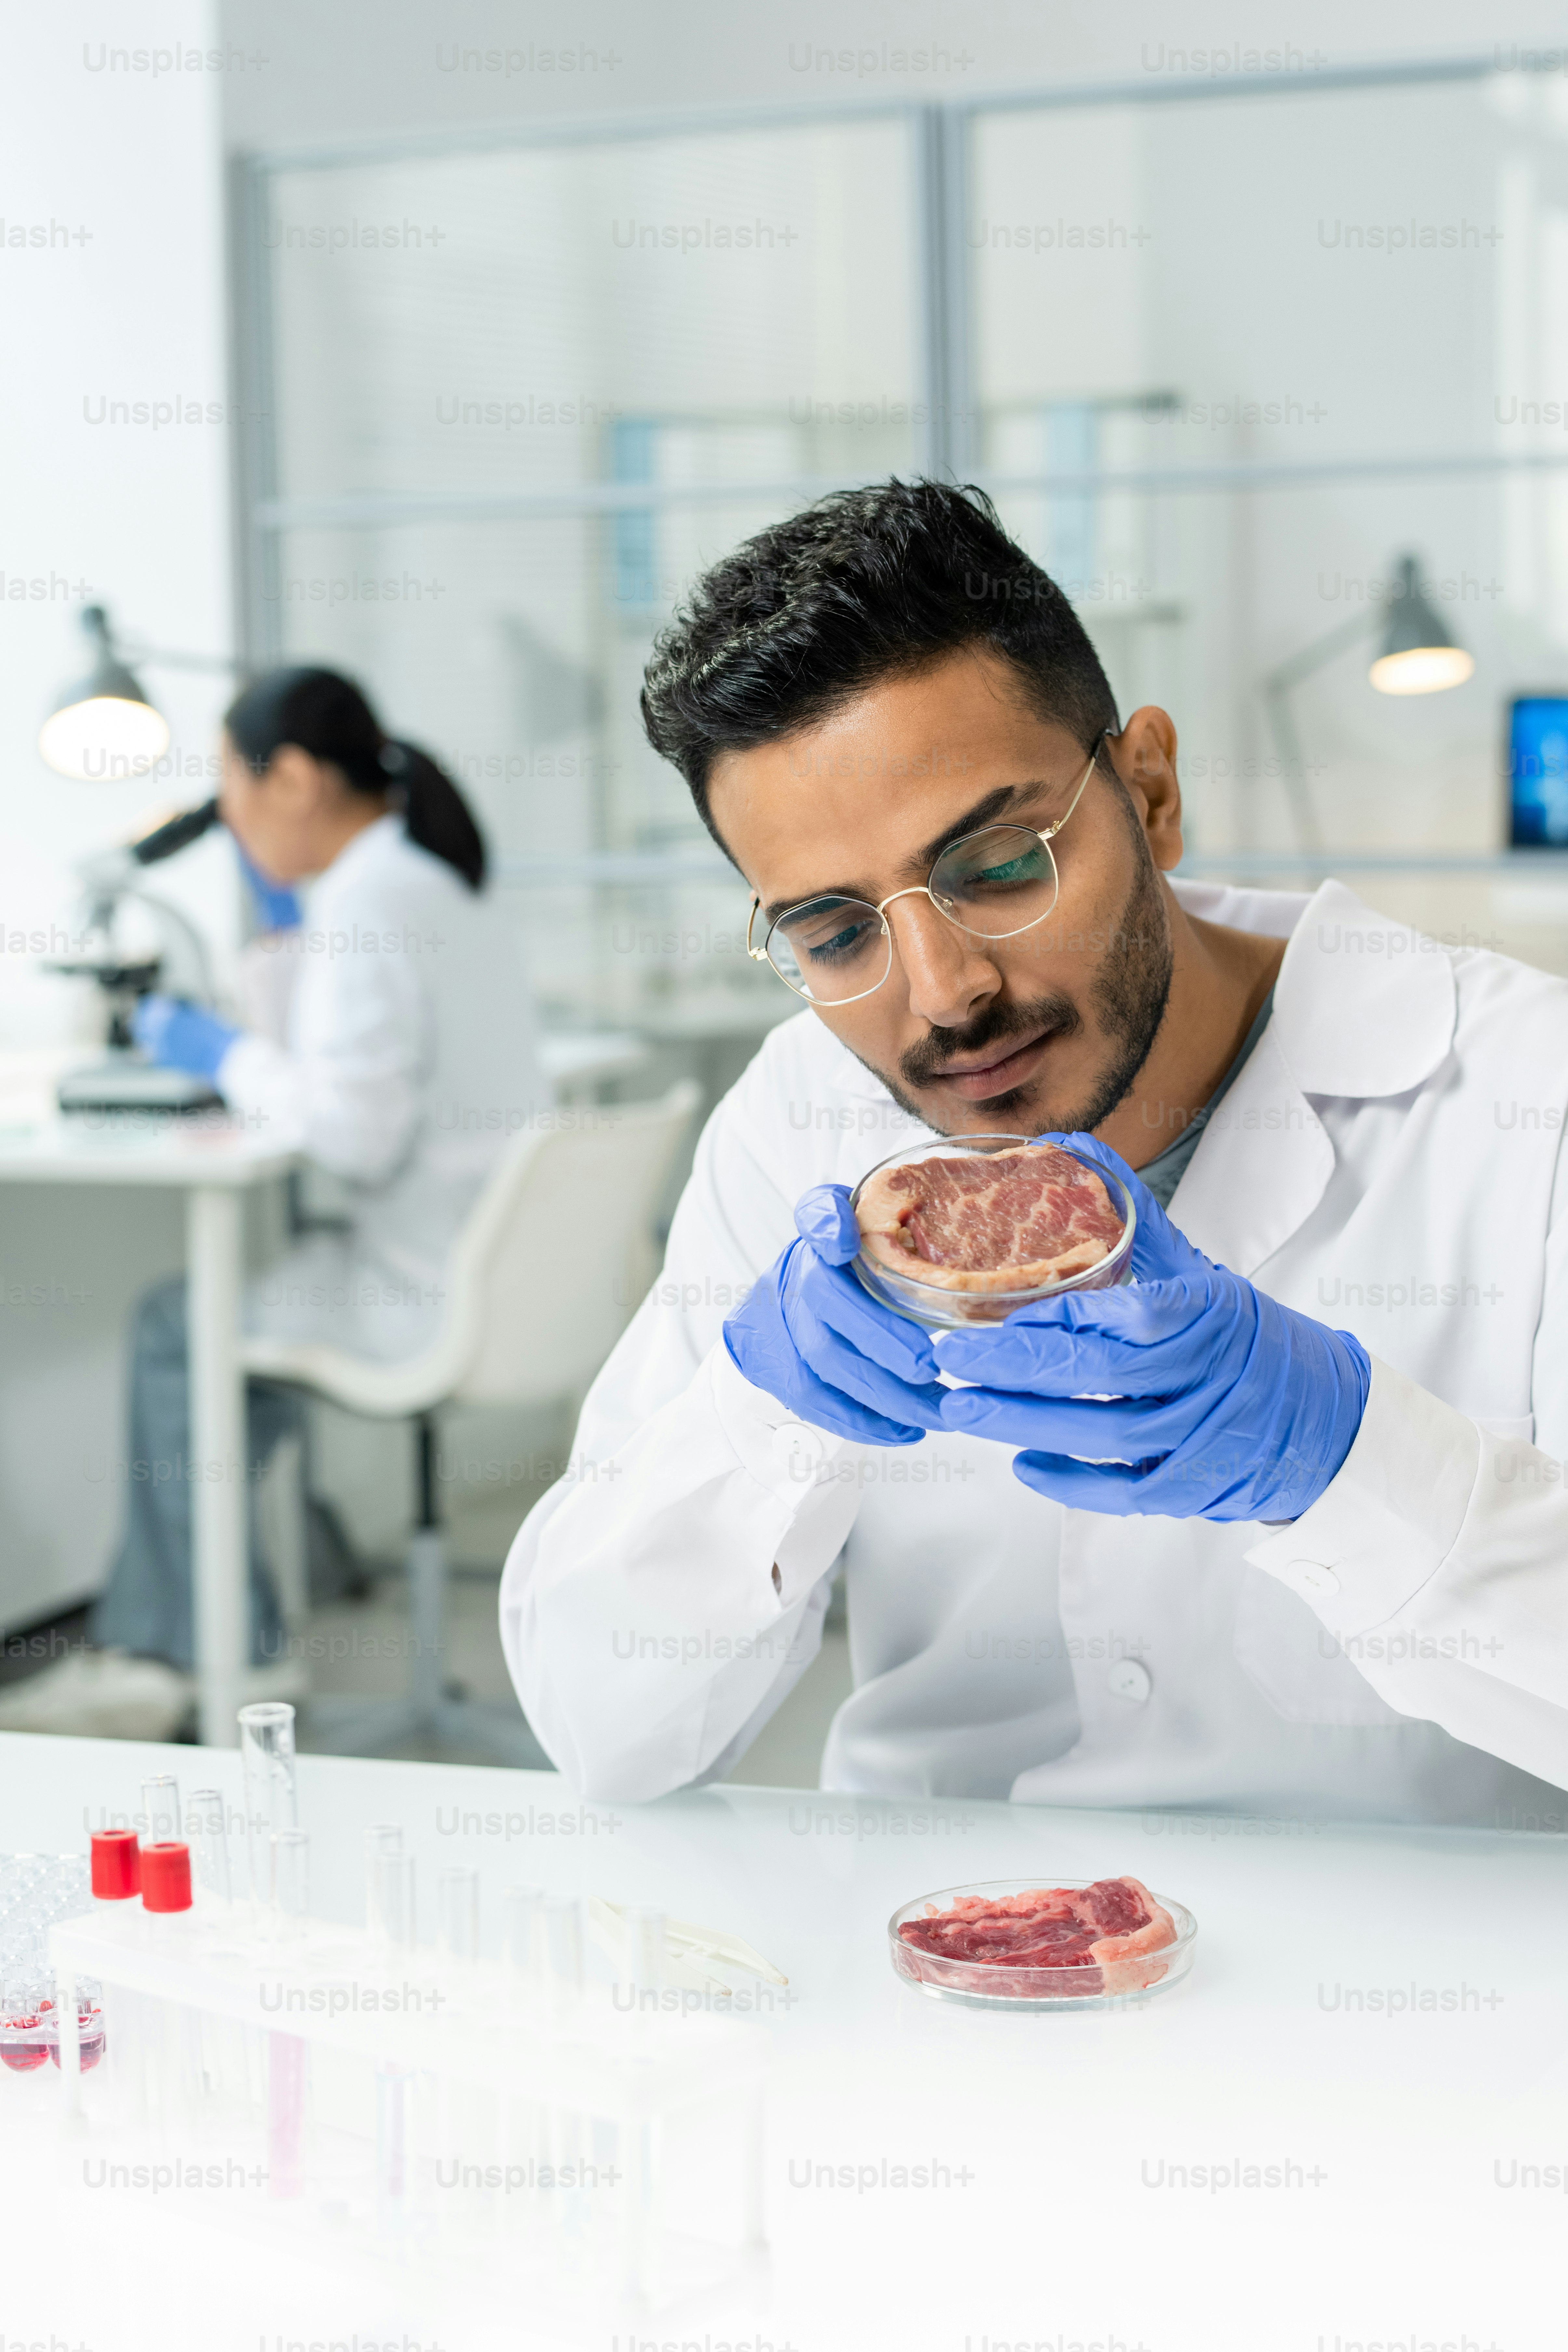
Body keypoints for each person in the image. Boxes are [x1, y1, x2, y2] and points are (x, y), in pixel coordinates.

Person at [500, 479, 1568, 1823]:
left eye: (1000, 865)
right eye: (837, 934)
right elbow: (600, 1729)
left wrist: (1344, 1460)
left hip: (1420, 1992)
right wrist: (759, 1421)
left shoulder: (1528, 1099)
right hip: (932, 1973)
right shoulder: (800, 1122)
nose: (942, 992)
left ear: (1153, 792)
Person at [2, 666, 551, 1739]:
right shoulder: (430, 882)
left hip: (423, 1284)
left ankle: (189, 1657)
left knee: (178, 1327)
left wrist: (226, 1052)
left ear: (292, 778)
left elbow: (350, 1134)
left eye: (231, 790)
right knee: (231, 1356)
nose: (232, 823)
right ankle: (194, 1628)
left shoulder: (370, 901)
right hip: (495, 1265)